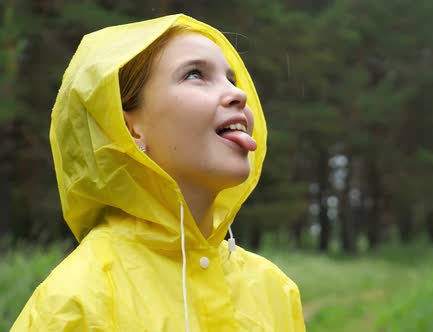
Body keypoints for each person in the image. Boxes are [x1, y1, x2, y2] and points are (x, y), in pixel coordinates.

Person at [11, 14, 305, 332]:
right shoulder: (76, 303)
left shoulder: (274, 290)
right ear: (127, 128)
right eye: (195, 74)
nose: (239, 94)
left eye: (231, 79)